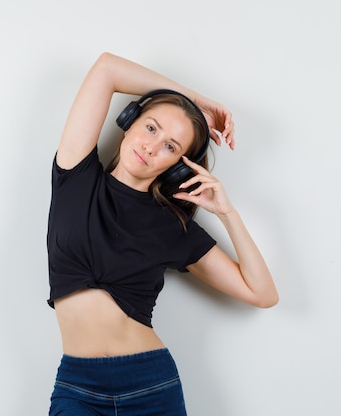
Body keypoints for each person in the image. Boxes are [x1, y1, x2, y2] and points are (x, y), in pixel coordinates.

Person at [46, 52, 278, 416]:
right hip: (78, 388)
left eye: (171, 146)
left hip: (150, 386)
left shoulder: (173, 228)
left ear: (177, 167)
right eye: (151, 128)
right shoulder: (76, 176)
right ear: (129, 121)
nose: (152, 146)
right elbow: (106, 69)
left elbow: (262, 293)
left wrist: (228, 213)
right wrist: (193, 100)